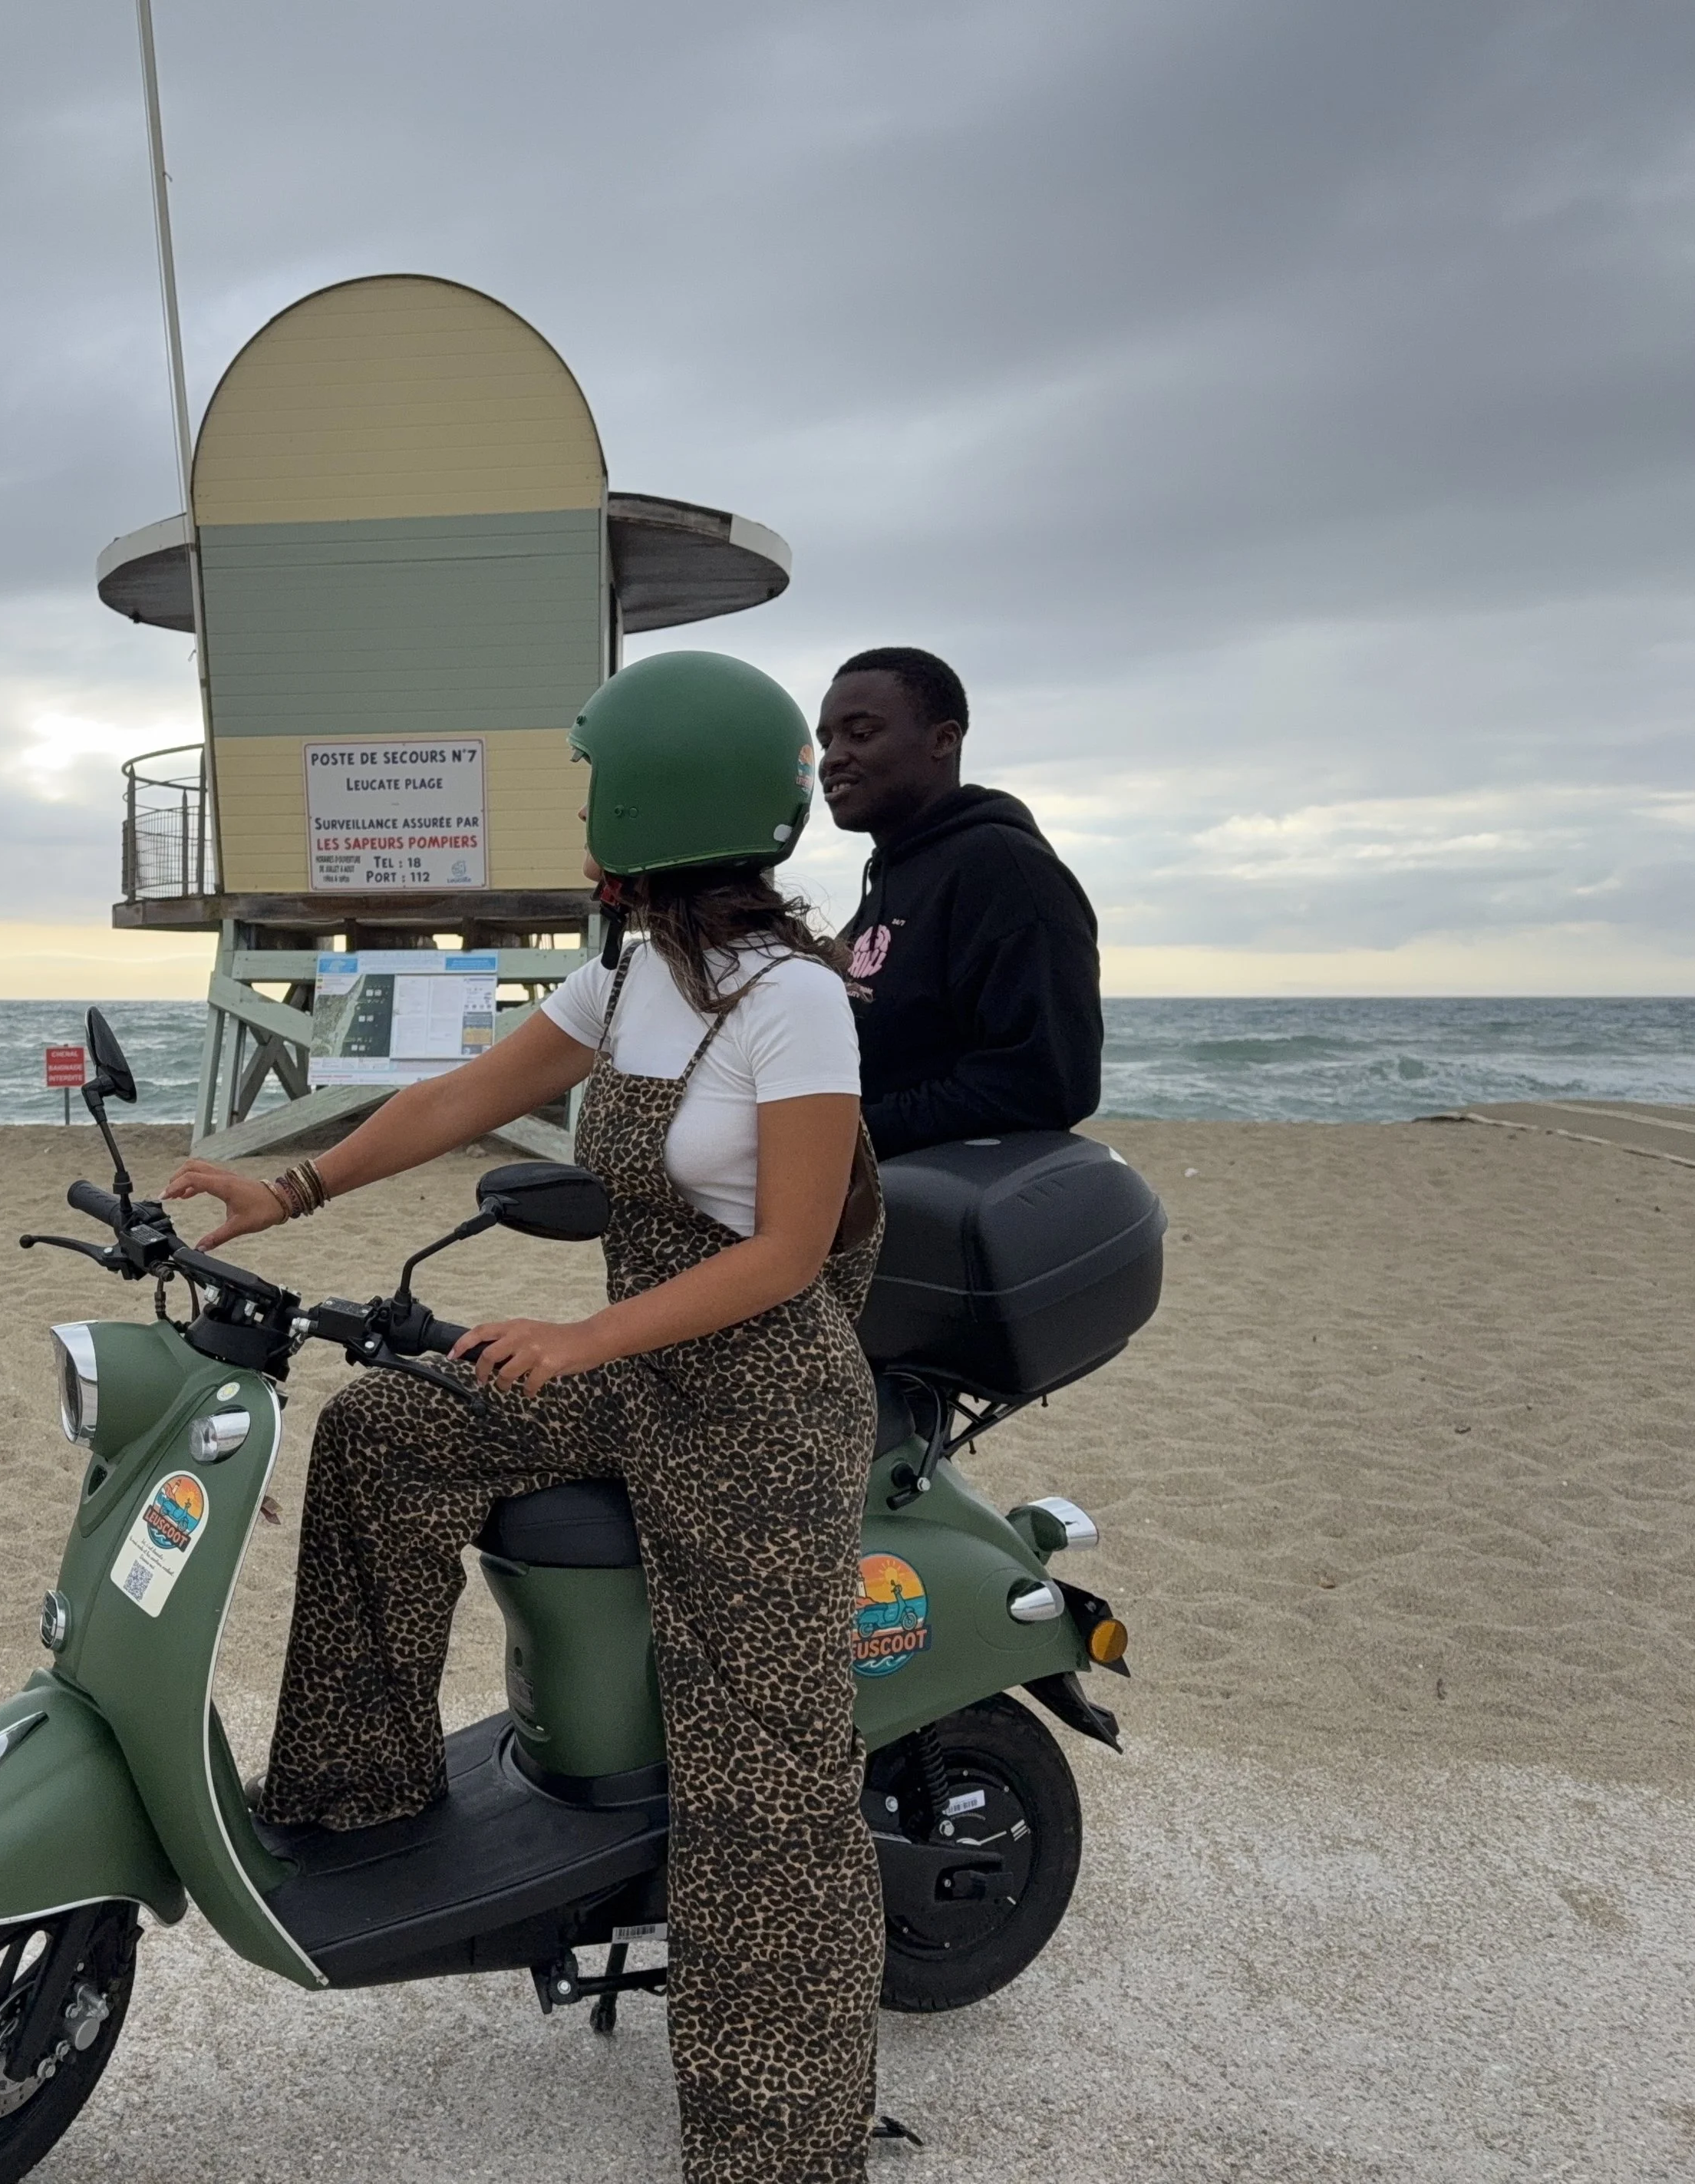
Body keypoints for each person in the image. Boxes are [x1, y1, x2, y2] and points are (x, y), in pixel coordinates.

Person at [164, 651, 885, 2184]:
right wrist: (280, 1186)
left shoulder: (793, 1003)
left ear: (646, 802)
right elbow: (455, 1093)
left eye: (589, 788)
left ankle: (785, 2151)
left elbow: (789, 1252)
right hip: (631, 1369)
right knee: (386, 1431)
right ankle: (360, 1802)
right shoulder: (629, 968)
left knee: (764, 1785)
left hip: (764, 1414)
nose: (576, 820)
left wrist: (579, 1337)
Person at [816, 645, 1103, 1157]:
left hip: (931, 1206)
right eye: (826, 740)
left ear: (944, 740)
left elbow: (1046, 1083)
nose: (833, 757)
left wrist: (837, 1136)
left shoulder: (1005, 869)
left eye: (860, 734)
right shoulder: (892, 873)